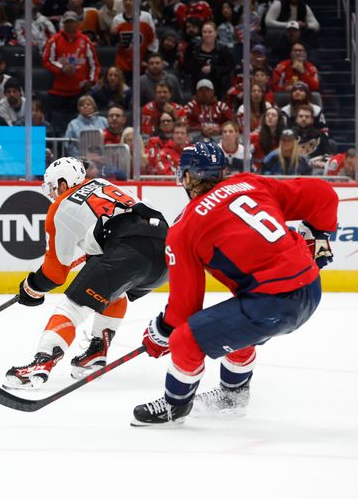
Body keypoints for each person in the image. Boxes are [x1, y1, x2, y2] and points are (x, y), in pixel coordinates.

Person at [133, 142, 337, 426]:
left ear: (188, 177)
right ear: (222, 170)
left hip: (271, 304)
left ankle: (175, 406)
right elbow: (324, 194)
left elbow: (184, 311)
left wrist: (161, 332)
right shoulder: (250, 183)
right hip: (311, 288)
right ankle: (233, 395)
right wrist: (320, 234)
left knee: (185, 341)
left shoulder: (184, 228)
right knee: (234, 324)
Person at [4, 157, 169, 388]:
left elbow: (54, 275)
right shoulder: (104, 184)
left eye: (52, 188)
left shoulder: (60, 207)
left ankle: (42, 363)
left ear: (62, 184)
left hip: (128, 251)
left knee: (73, 305)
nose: (52, 194)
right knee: (114, 290)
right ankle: (96, 351)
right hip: (166, 255)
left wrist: (32, 287)